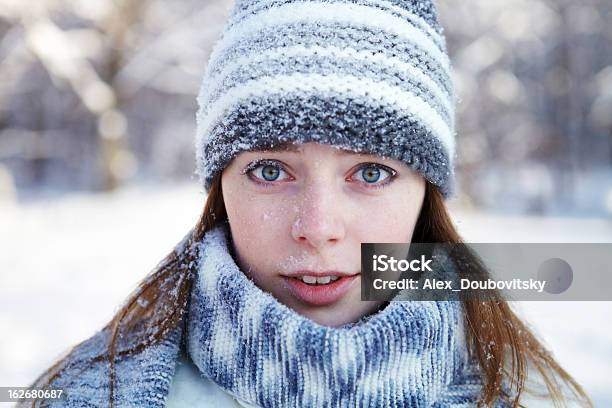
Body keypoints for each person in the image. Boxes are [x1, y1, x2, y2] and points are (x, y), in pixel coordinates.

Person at [25, 0, 592, 407]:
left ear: (427, 192)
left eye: (371, 171)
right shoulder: (82, 395)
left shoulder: (540, 396)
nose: (317, 229)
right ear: (220, 185)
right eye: (270, 171)